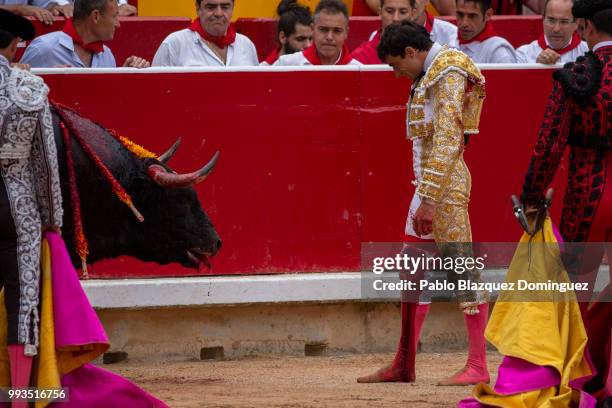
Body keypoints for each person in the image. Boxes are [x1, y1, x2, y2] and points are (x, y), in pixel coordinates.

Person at [357, 21, 489, 386]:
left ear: (412, 53)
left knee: (465, 275)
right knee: (411, 272)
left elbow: (449, 140)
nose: (395, 72)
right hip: (429, 187)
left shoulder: (447, 69)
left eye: (396, 64)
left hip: (443, 189)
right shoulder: (433, 70)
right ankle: (404, 362)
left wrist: (429, 199)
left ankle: (478, 365)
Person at [520, 0, 612, 401]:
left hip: (589, 195)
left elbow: (548, 146)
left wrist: (532, 198)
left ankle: (575, 382)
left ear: (586, 27)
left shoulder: (577, 76)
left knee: (575, 293)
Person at [0, 9, 63, 407]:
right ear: (13, 45)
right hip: (16, 207)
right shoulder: (28, 87)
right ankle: (20, 400)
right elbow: (46, 164)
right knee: (24, 304)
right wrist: (52, 220)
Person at [20, 0, 149, 68]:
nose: (118, 24)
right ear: (96, 16)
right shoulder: (42, 49)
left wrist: (122, 75)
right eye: (114, 16)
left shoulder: (107, 55)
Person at [152, 0, 258, 67]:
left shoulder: (246, 45)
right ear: (198, 8)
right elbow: (157, 90)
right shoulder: (174, 44)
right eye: (211, 7)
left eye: (225, 7)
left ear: (232, 9)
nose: (218, 13)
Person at [352, 0, 457, 64]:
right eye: (390, 11)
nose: (396, 18)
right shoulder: (360, 58)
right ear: (380, 11)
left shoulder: (429, 53)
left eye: (403, 12)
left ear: (412, 13)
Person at [275, 0, 360, 66]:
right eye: (323, 29)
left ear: (346, 33)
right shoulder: (284, 64)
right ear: (312, 29)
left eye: (337, 31)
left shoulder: (361, 71)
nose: (329, 37)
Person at [516, 0, 587, 63]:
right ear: (543, 20)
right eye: (551, 21)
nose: (556, 29)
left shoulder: (589, 52)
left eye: (564, 22)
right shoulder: (523, 55)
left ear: (576, 23)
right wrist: (536, 68)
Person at [261, 0, 313, 65]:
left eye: (311, 39)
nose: (308, 45)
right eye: (300, 39)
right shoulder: (265, 70)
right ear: (282, 37)